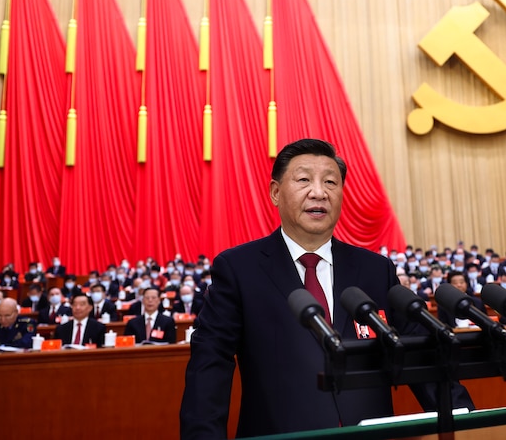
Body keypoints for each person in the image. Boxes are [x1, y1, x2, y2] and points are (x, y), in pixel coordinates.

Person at [180, 139, 471, 439]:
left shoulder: (375, 270)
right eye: (304, 179)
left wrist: (467, 422)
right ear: (276, 193)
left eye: (330, 182)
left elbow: (421, 356)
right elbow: (210, 367)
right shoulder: (239, 269)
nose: (319, 192)